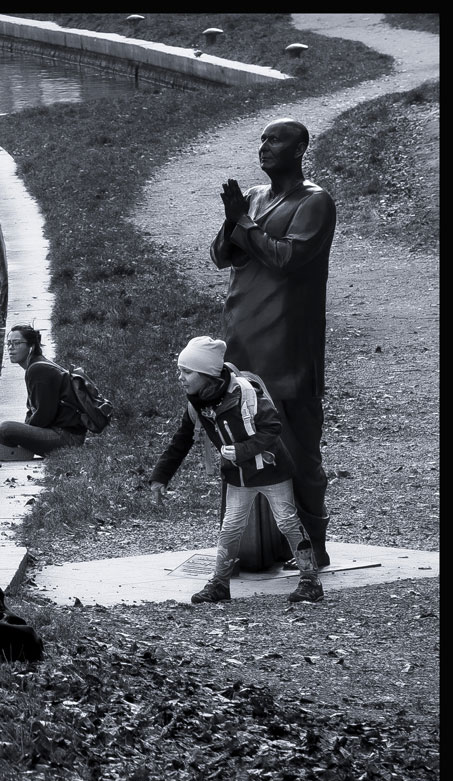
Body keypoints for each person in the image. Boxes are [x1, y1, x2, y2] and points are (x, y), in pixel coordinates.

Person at [210, 117, 336, 568]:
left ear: (301, 148)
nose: (264, 146)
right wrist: (234, 223)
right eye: (262, 138)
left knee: (299, 449)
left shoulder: (315, 202)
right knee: (243, 445)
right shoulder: (255, 198)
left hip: (287, 348)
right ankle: (249, 549)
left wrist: (242, 224)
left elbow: (287, 259)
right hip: (242, 341)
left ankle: (313, 546)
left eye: (275, 139)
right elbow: (222, 256)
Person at [148, 336, 323, 605]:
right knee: (230, 529)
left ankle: (310, 580)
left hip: (272, 470)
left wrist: (241, 451)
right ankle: (219, 584)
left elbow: (272, 428)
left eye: (186, 371)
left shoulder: (245, 392)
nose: (180, 377)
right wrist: (161, 477)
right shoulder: (196, 402)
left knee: (287, 521)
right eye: (179, 370)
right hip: (238, 476)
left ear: (206, 373)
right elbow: (181, 440)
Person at [0, 324, 86, 461]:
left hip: (67, 438)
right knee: (10, 429)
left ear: (31, 347)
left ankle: (15, 451)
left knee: (5, 429)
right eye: (9, 343)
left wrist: (26, 433)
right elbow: (33, 409)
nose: (11, 348)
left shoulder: (38, 370)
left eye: (16, 343)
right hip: (64, 434)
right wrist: (26, 431)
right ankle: (14, 451)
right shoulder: (36, 366)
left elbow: (44, 414)